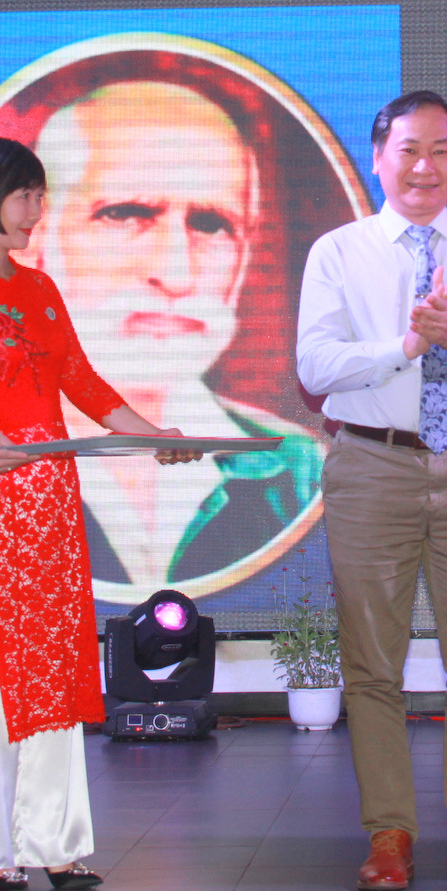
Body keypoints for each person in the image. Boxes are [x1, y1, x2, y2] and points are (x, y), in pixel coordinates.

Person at [0, 135, 197, 891]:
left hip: (49, 499)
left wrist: (155, 434)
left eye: (39, 196)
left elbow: (84, 382)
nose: (36, 210)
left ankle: (58, 843)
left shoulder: (38, 291)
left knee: (53, 670)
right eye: (24, 196)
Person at [296, 91, 447, 891]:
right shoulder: (338, 251)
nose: (423, 166)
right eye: (408, 149)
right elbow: (315, 368)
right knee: (373, 663)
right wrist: (404, 344)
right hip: (371, 465)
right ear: (379, 158)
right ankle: (389, 833)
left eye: (440, 151)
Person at [27, 64, 332, 601]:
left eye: (211, 224)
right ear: (34, 242)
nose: (176, 273)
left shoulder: (299, 470)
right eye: (125, 214)